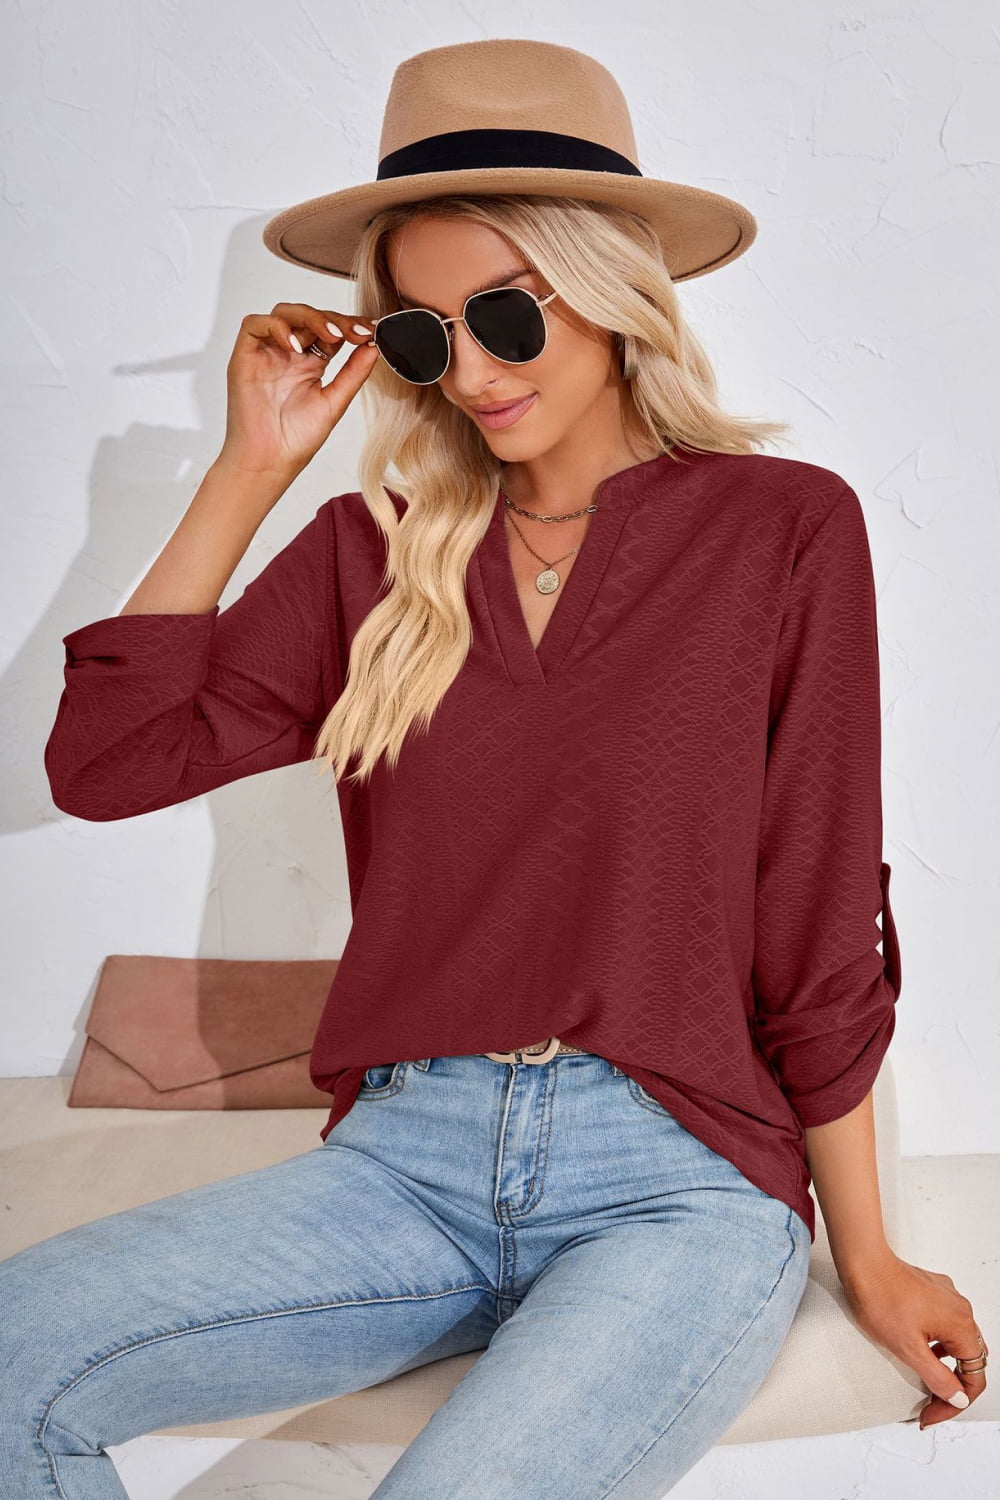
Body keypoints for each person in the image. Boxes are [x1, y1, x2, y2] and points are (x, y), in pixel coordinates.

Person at [3, 37, 987, 1500]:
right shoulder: (375, 555)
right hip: (406, 1165)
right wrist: (251, 468)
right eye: (420, 337)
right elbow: (105, 763)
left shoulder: (781, 530)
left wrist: (871, 1251)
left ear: (609, 289)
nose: (467, 373)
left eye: (507, 317)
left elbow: (818, 914)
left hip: (676, 1181)